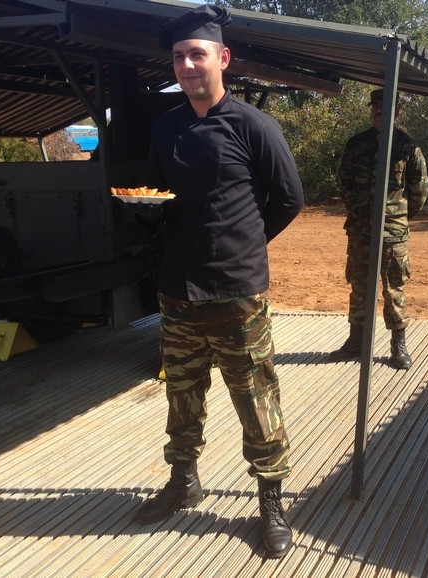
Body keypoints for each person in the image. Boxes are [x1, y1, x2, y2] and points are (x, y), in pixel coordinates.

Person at [133, 5, 304, 560]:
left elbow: (289, 199)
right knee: (182, 393)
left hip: (237, 294)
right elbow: (157, 195)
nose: (186, 65)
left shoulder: (254, 125)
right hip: (177, 288)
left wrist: (247, 243)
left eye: (196, 54)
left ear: (222, 58)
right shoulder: (166, 127)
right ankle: (183, 481)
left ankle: (271, 502)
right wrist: (144, 212)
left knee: (256, 398)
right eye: (178, 57)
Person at [328, 89, 428, 369]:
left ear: (397, 112)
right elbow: (344, 182)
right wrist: (359, 210)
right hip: (360, 229)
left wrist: (396, 216)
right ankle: (356, 342)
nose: (379, 111)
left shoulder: (408, 148)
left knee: (394, 287)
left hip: (392, 232)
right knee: (359, 285)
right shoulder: (356, 144)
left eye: (386, 107)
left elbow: (419, 192)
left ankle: (398, 346)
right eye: (375, 106)